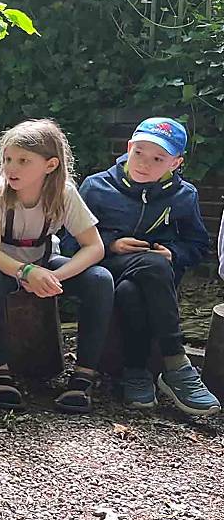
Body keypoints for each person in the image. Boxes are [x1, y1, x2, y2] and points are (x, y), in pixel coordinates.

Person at [67, 117, 217, 415]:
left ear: (176, 163)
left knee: (134, 288)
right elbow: (68, 241)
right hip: (108, 266)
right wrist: (111, 244)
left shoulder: (184, 196)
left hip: (152, 280)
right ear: (128, 148)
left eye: (158, 158)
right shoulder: (97, 187)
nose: (144, 164)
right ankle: (176, 362)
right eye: (139, 153)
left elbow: (198, 246)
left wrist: (173, 252)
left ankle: (136, 372)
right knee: (149, 268)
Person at [0, 119, 114, 413]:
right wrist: (26, 273)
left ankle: (83, 377)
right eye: (8, 159)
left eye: (23, 161)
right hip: (1, 265)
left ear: (50, 165)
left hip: (44, 262)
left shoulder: (64, 193)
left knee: (100, 280)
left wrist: (53, 276)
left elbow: (94, 246)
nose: (12, 168)